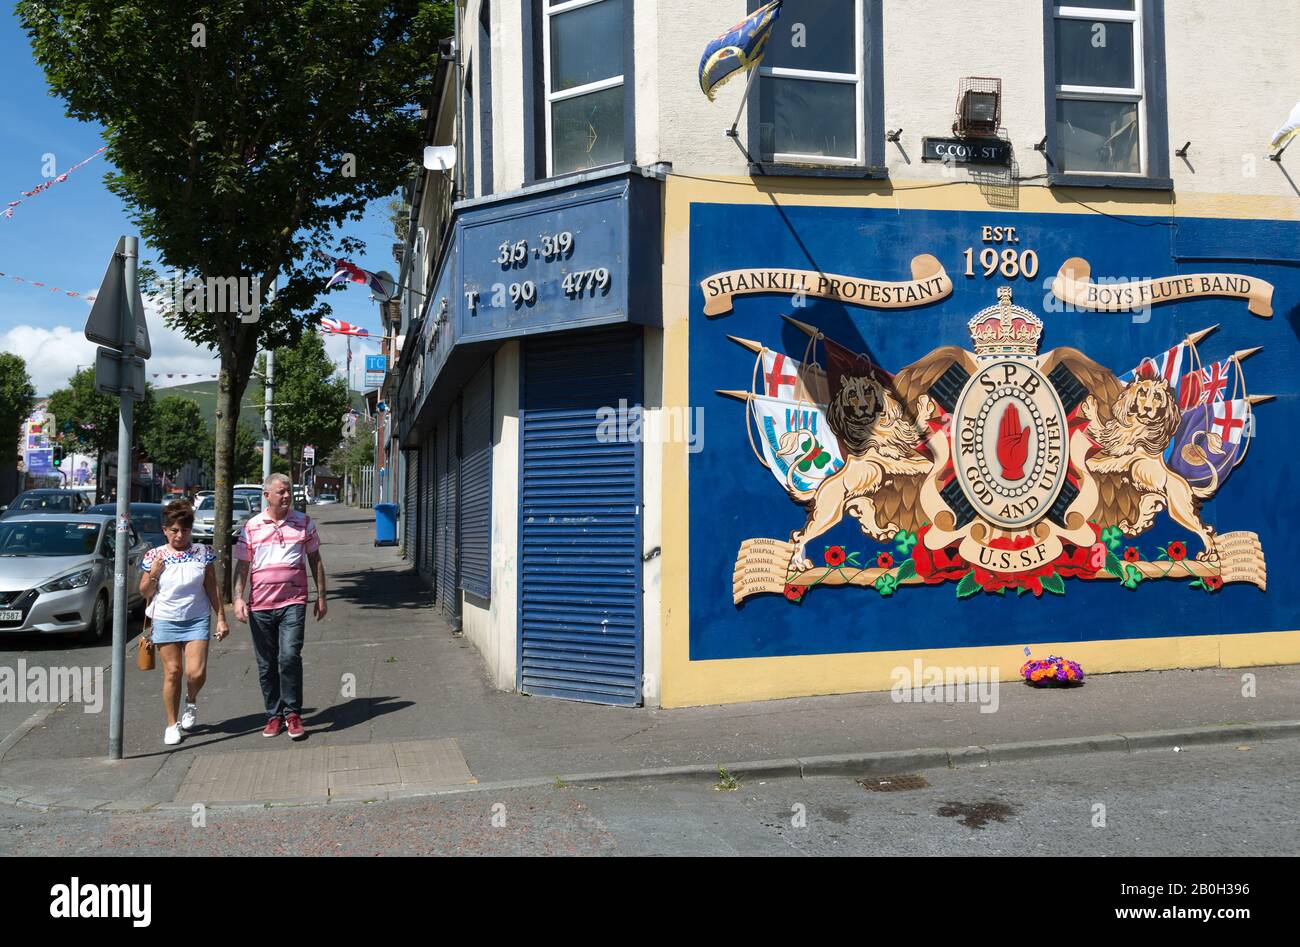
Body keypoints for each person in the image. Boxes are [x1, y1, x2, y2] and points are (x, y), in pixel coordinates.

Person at [233, 473, 327, 740]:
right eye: (281, 492)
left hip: (293, 602)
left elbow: (315, 560)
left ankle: (293, 714)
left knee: (289, 656)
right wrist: (239, 598)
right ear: (267, 496)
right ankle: (273, 716)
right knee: (266, 664)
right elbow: (242, 566)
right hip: (260, 606)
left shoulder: (303, 523)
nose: (286, 496)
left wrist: (322, 596)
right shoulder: (251, 527)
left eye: (288, 492)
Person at [138, 500, 230, 746]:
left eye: (185, 530)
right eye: (174, 530)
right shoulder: (155, 555)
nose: (180, 535)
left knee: (195, 672)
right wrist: (155, 572)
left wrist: (221, 617)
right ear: (165, 530)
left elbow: (211, 586)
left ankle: (191, 701)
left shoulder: (203, 552)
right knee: (173, 672)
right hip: (166, 619)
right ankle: (171, 724)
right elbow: (144, 592)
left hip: (197, 618)